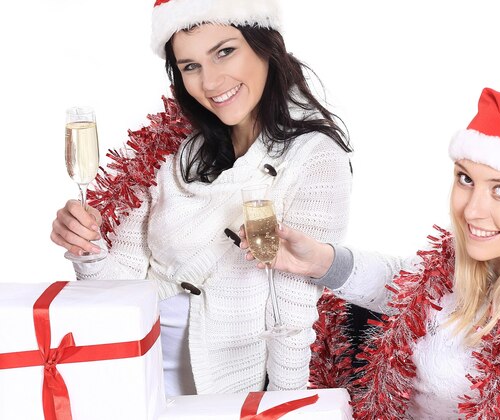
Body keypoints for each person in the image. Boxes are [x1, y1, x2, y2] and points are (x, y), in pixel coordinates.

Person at [242, 87, 500, 418]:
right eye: (465, 179)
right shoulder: (468, 259)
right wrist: (319, 260)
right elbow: (402, 282)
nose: (471, 210)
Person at [50, 0, 353, 396]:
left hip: (228, 390)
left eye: (224, 52)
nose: (209, 82)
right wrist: (87, 247)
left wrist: (284, 406)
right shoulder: (172, 153)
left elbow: (292, 319)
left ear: (265, 43)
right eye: (190, 66)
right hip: (134, 373)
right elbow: (117, 288)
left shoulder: (313, 159)